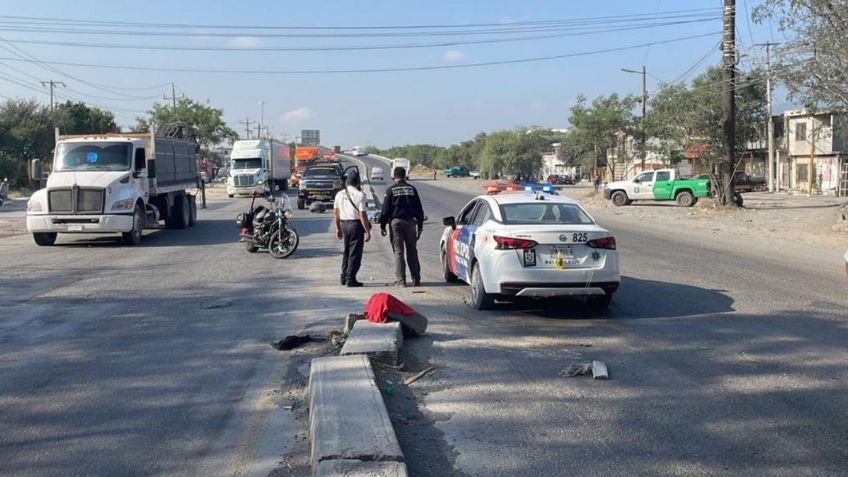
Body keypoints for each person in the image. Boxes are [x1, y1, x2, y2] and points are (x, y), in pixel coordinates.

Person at [380, 167, 425, 287]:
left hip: (396, 223)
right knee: (412, 250)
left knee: (398, 252)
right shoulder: (412, 189)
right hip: (410, 223)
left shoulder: (390, 191)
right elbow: (419, 209)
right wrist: (420, 226)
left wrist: (382, 226)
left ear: (393, 177)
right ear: (405, 176)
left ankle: (401, 281)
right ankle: (416, 279)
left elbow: (385, 211)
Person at [333, 171, 371, 287]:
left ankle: (344, 277)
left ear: (346, 182)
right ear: (358, 183)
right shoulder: (360, 195)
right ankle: (351, 279)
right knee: (355, 253)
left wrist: (338, 228)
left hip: (344, 225)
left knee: (346, 252)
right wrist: (368, 231)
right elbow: (362, 215)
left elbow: (336, 213)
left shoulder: (339, 194)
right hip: (355, 226)